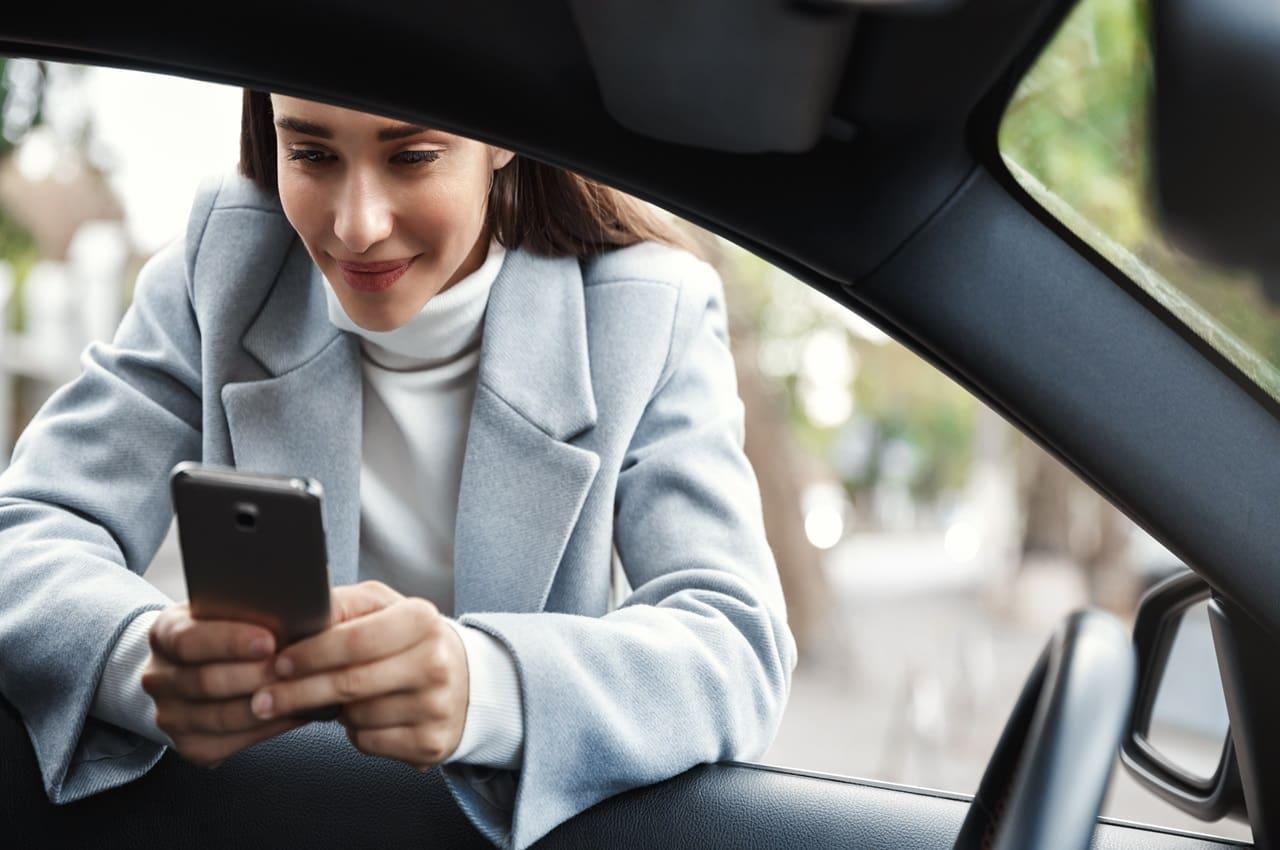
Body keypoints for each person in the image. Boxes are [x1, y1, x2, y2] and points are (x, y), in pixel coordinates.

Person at [0, 90, 798, 850]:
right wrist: (142, 659)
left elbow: (735, 643)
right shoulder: (224, 264)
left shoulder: (649, 310)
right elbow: (25, 536)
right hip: (265, 819)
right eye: (311, 153)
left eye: (411, 156)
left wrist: (483, 685)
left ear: (501, 139)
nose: (356, 226)